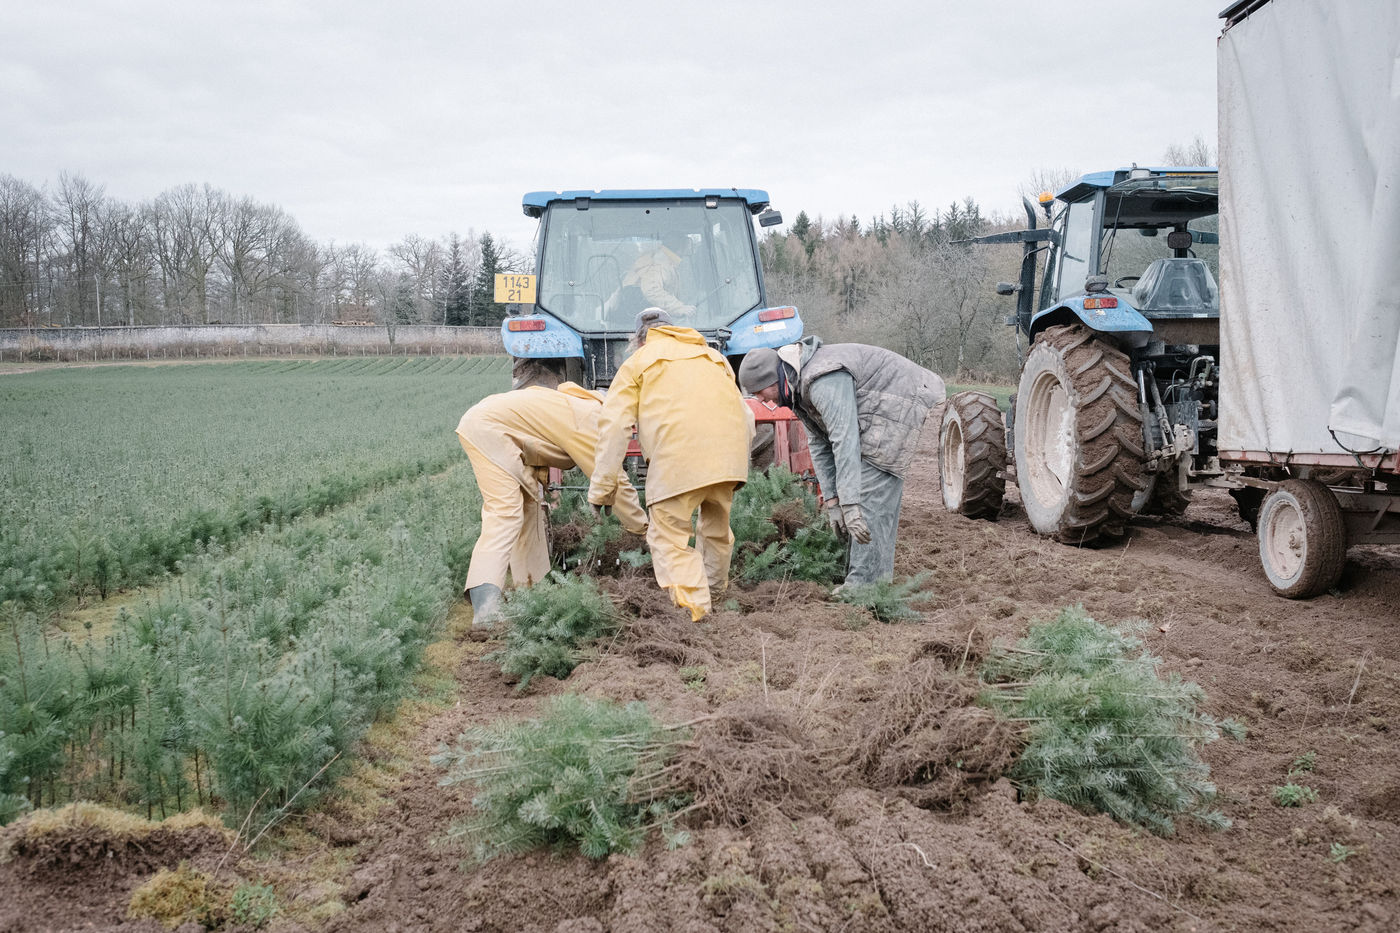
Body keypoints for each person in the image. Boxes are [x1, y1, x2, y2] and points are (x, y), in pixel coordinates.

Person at [737, 337, 945, 588]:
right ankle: (871, 581)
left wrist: (851, 503)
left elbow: (845, 438)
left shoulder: (822, 379)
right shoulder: (797, 388)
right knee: (862, 501)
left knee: (870, 497)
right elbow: (818, 442)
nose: (761, 400)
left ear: (772, 380)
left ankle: (863, 587)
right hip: (876, 410)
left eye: (760, 392)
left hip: (897, 400)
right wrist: (834, 502)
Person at [589, 309, 753, 620]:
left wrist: (602, 489)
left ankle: (695, 614)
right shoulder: (713, 357)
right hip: (727, 460)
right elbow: (745, 414)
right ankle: (714, 596)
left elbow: (614, 427)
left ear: (639, 340)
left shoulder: (639, 361)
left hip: (677, 460)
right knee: (716, 531)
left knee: (669, 539)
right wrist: (736, 461)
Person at [455, 383, 647, 632]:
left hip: (493, 428)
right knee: (504, 514)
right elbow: (612, 477)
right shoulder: (592, 417)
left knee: (527, 510)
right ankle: (486, 612)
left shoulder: (583, 407)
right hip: (489, 430)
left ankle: (529, 593)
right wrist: (642, 530)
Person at [618, 231, 695, 317]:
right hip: (638, 320)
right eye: (686, 247)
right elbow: (652, 290)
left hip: (643, 317)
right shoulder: (659, 262)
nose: (686, 252)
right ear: (680, 248)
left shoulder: (665, 260)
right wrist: (679, 308)